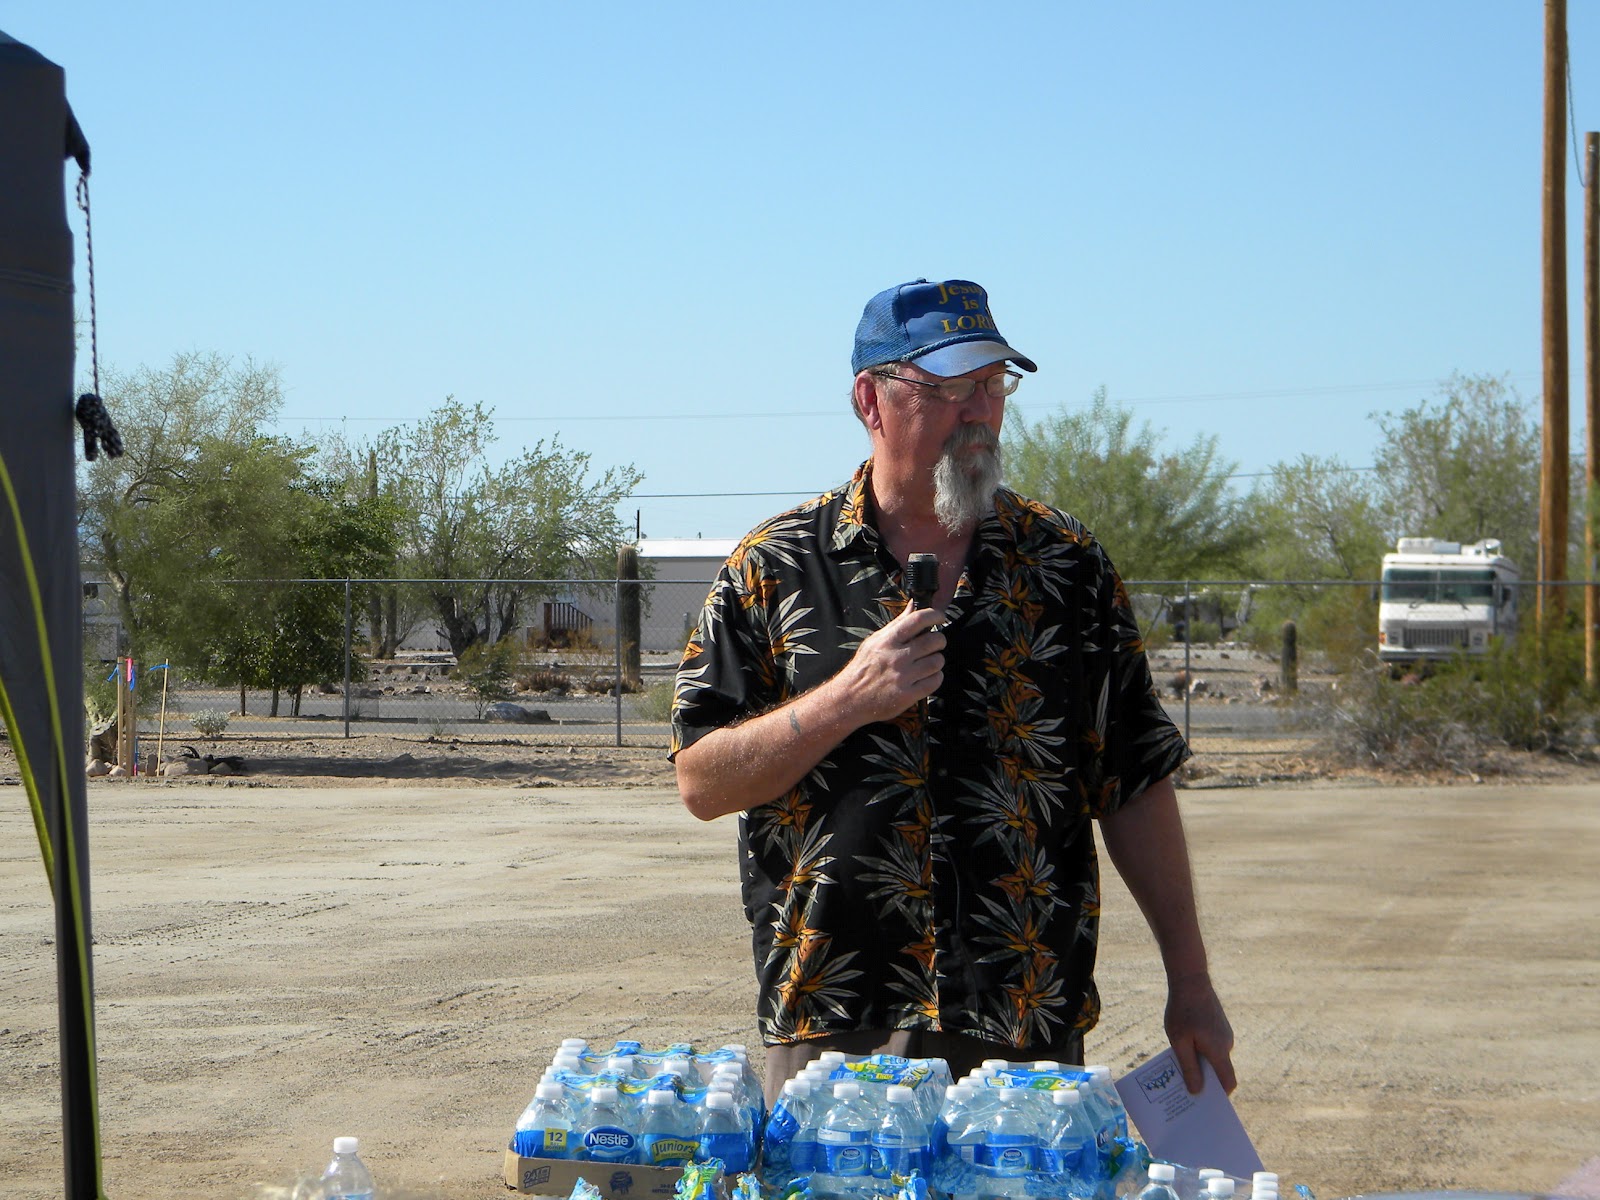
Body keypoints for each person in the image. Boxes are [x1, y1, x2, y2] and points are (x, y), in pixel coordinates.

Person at [670, 279, 1234, 1104]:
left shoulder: (1067, 566)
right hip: (838, 1019)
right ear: (871, 399)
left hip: (1024, 1020)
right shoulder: (776, 568)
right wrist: (846, 699)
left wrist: (1192, 981)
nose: (979, 412)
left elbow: (1134, 780)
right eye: (949, 388)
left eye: (992, 385)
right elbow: (702, 781)